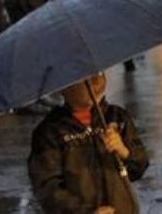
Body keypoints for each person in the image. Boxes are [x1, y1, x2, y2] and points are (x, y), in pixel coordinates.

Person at [28, 72, 149, 214]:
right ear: (64, 87)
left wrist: (125, 152)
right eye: (84, 79)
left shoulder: (117, 117)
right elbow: (47, 187)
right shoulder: (50, 131)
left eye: (99, 73)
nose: (95, 81)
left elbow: (139, 167)